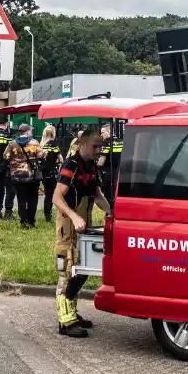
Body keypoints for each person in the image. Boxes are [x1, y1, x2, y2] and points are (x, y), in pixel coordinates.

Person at [51, 129, 112, 338]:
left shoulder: (92, 167)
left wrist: (113, 212)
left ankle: (72, 313)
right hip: (69, 225)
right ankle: (65, 322)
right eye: (95, 146)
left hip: (84, 225)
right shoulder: (71, 165)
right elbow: (56, 197)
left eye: (100, 146)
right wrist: (74, 217)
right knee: (67, 270)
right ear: (82, 144)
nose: (99, 150)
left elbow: (98, 196)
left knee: (81, 269)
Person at [3, 124, 45, 228]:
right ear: (27, 131)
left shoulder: (12, 143)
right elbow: (40, 156)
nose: (31, 132)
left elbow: (5, 156)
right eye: (30, 130)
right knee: (32, 199)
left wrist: (15, 161)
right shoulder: (34, 143)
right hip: (31, 176)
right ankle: (31, 221)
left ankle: (23, 221)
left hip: (17, 175)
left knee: (21, 198)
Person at [0, 118, 16, 219]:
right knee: (10, 190)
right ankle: (8, 213)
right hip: (6, 166)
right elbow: (11, 150)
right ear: (6, 124)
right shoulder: (7, 135)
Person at [39, 124, 63, 223]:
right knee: (53, 194)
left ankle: (47, 214)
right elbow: (60, 158)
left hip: (43, 173)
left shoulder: (41, 144)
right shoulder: (53, 144)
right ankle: (51, 215)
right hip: (52, 172)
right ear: (53, 133)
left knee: (47, 194)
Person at [97, 123, 123, 209]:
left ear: (109, 131)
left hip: (108, 173)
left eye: (103, 132)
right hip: (120, 173)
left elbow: (101, 162)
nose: (101, 135)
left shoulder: (106, 143)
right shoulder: (121, 142)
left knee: (108, 196)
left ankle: (109, 213)